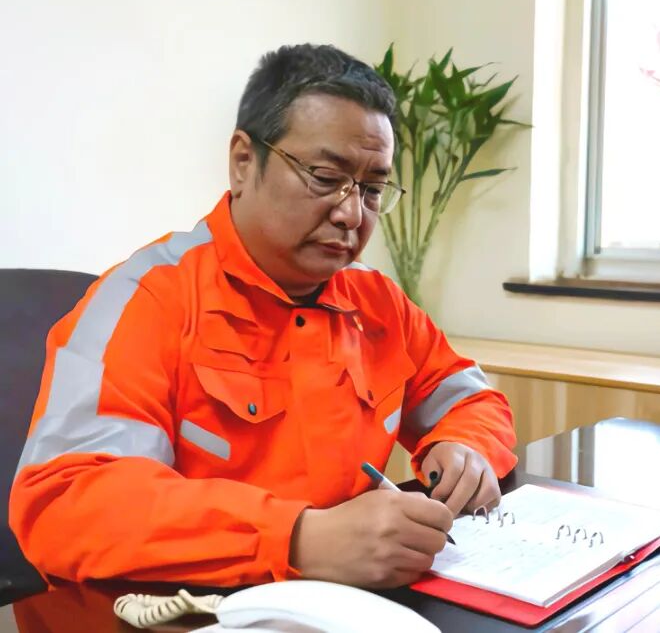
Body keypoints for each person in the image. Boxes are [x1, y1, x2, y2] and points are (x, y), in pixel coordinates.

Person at [9, 44, 517, 589]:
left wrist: (464, 447)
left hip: (341, 603)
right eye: (324, 176)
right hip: (181, 613)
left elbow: (471, 400)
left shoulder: (376, 301)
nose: (352, 214)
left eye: (372, 190)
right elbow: (65, 501)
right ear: (243, 163)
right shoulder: (148, 299)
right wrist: (295, 539)